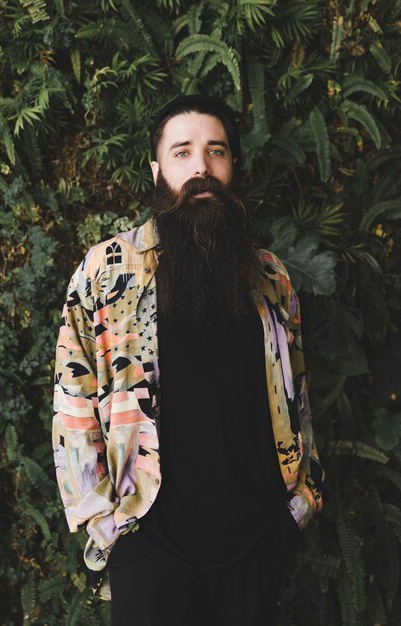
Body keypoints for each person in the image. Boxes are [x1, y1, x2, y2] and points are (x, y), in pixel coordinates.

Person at [52, 94, 325, 626]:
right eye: (182, 152)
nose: (201, 167)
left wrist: (298, 509)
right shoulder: (109, 270)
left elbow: (299, 398)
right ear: (157, 169)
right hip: (150, 549)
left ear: (232, 165)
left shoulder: (270, 278)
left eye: (215, 151)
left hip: (256, 542)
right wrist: (107, 528)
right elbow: (72, 397)